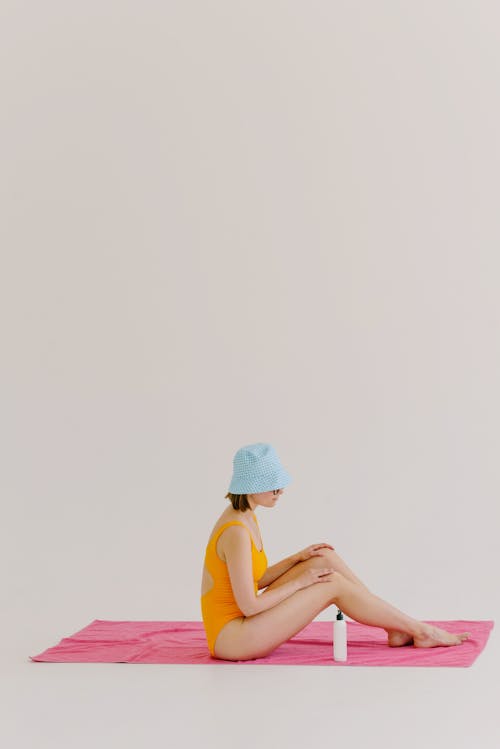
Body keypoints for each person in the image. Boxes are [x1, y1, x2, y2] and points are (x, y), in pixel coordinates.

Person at [200, 442, 471, 661]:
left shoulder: (245, 516)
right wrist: (300, 582)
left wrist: (297, 559)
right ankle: (420, 630)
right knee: (332, 585)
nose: (280, 490)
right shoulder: (236, 531)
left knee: (322, 558)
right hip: (233, 639)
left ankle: (395, 626)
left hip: (243, 624)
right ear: (251, 486)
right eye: (273, 484)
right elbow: (249, 604)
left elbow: (253, 580)